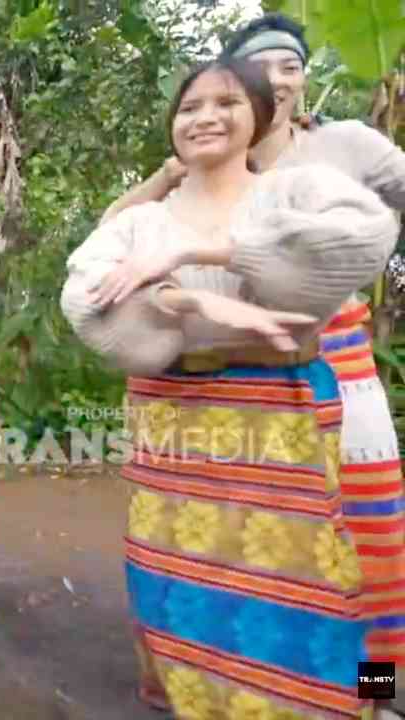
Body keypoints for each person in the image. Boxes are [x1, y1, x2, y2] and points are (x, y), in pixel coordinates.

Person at [60, 58, 397, 719]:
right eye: (190, 107)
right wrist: (191, 304)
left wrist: (208, 255)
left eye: (227, 102)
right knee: (181, 582)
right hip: (176, 427)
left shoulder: (301, 185)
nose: (206, 116)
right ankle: (197, 701)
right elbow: (92, 298)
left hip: (295, 411)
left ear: (260, 115)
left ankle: (361, 698)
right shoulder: (143, 220)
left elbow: (363, 241)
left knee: (325, 570)